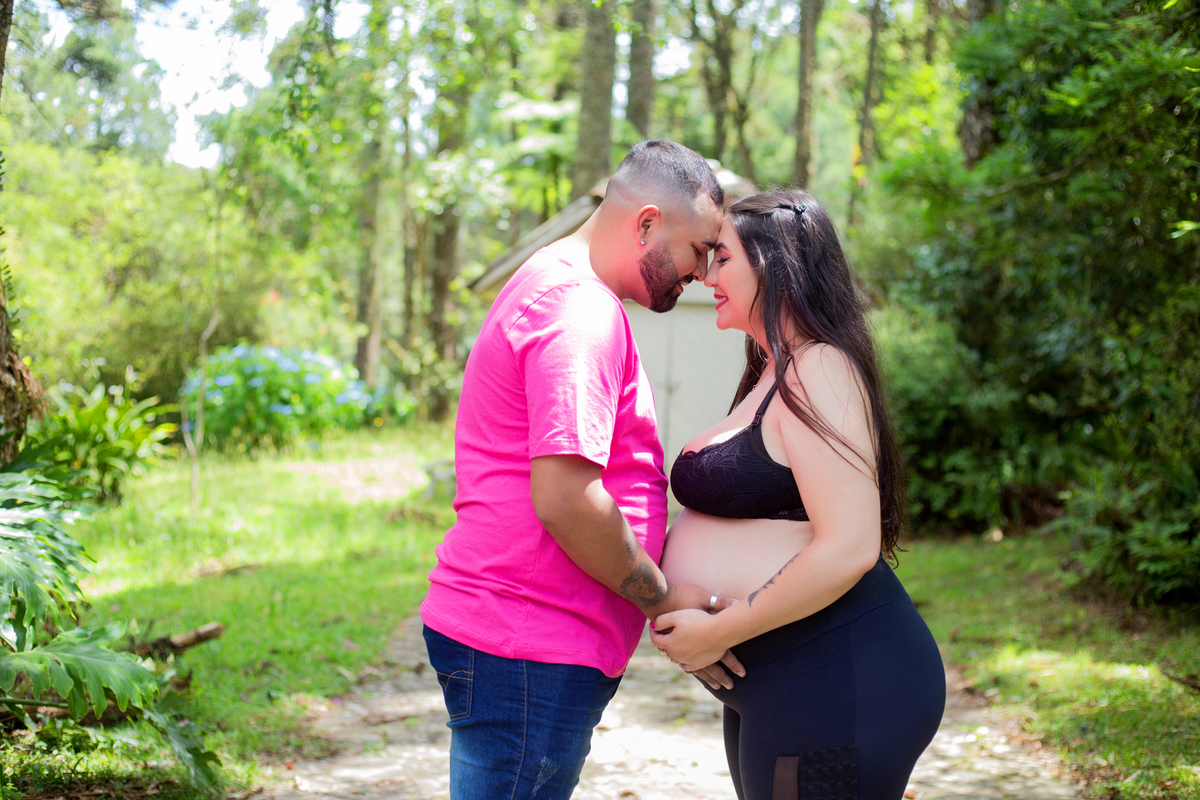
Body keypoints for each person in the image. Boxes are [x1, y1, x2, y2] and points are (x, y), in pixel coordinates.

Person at [420, 140, 733, 800]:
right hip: (527, 644)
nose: (705, 274)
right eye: (700, 249)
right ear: (647, 224)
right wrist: (660, 596)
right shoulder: (579, 311)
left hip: (526, 641)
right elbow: (567, 498)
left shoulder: (560, 285)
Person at [650, 189, 946, 800]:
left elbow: (850, 546)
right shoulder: (770, 374)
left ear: (775, 264)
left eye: (723, 258)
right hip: (783, 682)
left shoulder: (820, 366)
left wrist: (720, 626)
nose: (707, 275)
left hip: (842, 674)